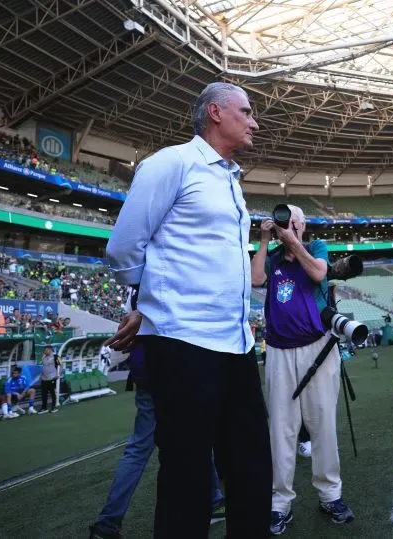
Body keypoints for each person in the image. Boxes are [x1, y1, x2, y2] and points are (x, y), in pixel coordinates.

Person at [105, 81, 270, 538]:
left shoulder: (230, 180)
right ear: (216, 113)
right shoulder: (171, 164)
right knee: (187, 478)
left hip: (237, 345)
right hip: (182, 344)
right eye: (247, 111)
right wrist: (153, 302)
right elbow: (122, 250)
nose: (254, 122)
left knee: (251, 468)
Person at [252, 205, 355, 535]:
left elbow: (319, 273)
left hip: (317, 347)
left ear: (303, 226)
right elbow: (255, 279)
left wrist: (294, 243)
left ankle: (330, 495)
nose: (287, 227)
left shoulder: (315, 248)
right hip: (280, 351)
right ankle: (279, 503)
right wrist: (266, 239)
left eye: (293, 223)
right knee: (280, 430)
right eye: (284, 223)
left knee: (322, 423)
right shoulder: (272, 257)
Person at [90, 337, 224, 539]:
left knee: (138, 450)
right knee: (198, 437)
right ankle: (214, 501)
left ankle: (107, 522)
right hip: (178, 368)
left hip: (147, 371)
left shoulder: (134, 304)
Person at [38, 345, 61, 413]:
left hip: (52, 377)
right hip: (44, 378)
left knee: (52, 393)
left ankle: (54, 407)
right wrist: (40, 376)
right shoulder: (44, 357)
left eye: (45, 350)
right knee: (44, 393)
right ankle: (44, 408)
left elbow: (61, 364)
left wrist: (58, 374)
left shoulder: (56, 356)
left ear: (50, 350)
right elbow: (43, 366)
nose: (44, 351)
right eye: (44, 350)